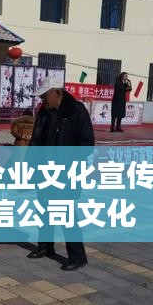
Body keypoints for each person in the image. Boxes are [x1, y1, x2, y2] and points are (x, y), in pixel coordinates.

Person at [27, 77, 95, 271]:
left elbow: (87, 144)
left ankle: (77, 257)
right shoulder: (44, 112)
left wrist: (64, 159)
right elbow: (36, 139)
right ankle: (45, 247)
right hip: (44, 170)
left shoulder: (75, 111)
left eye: (44, 96)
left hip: (66, 173)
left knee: (66, 214)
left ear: (57, 93)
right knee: (44, 210)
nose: (42, 100)